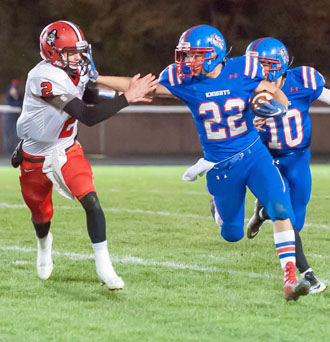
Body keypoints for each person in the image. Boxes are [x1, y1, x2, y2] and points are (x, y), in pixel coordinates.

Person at [96, 25, 310, 301]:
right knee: (231, 234)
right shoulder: (182, 79)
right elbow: (138, 86)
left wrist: (277, 107)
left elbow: (274, 91)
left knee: (281, 209)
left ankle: (290, 279)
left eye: (195, 55)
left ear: (215, 53)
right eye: (185, 55)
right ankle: (216, 205)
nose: (187, 62)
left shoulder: (243, 68)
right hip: (221, 165)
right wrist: (98, 77)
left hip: (254, 154)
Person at [14, 20, 157, 290]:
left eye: (81, 51)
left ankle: (104, 267)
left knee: (91, 199)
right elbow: (87, 115)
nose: (79, 57)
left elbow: (91, 96)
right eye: (72, 52)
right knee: (41, 213)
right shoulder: (43, 77)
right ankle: (44, 245)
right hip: (34, 153)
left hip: (66, 148)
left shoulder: (75, 70)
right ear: (53, 53)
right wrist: (126, 98)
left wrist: (126, 94)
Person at [245, 37, 328, 294]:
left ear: (280, 64)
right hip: (267, 160)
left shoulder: (303, 80)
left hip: (299, 159)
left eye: (266, 64)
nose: (259, 71)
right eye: (255, 64)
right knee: (288, 220)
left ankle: (262, 214)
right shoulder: (246, 88)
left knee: (297, 219)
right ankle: (308, 276)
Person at [2, 79, 23, 155]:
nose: (13, 91)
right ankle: (7, 153)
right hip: (8, 120)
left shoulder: (20, 96)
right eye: (12, 89)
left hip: (16, 120)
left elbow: (21, 104)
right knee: (7, 137)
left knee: (16, 136)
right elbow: (10, 104)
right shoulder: (8, 97)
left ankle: (15, 152)